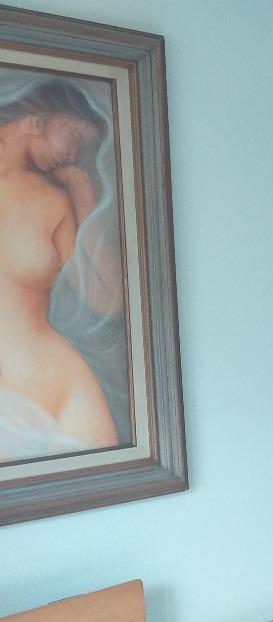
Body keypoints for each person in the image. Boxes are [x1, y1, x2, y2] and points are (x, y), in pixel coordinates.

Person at [0, 80, 120, 462]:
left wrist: (82, 190)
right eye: (73, 137)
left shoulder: (55, 199)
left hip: (63, 387)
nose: (73, 154)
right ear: (37, 120)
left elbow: (106, 302)